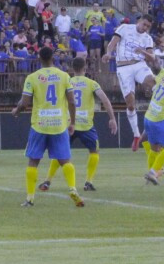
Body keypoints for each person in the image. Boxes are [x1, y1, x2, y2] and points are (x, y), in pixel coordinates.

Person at [11, 45, 83, 208]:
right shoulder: (64, 76)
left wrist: (17, 110)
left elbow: (25, 102)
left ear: (39, 59)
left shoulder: (33, 77)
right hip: (59, 124)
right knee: (65, 160)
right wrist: (72, 122)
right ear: (53, 58)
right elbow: (71, 101)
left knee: (33, 161)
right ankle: (72, 188)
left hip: (40, 125)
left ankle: (30, 198)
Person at [39, 57, 117, 193]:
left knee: (60, 153)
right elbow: (105, 100)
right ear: (85, 68)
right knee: (94, 151)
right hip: (86, 125)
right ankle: (88, 182)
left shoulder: (67, 81)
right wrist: (112, 118)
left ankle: (48, 180)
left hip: (69, 124)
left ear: (72, 69)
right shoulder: (92, 83)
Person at [105, 15, 156, 151]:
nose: (145, 28)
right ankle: (136, 135)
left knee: (154, 83)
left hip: (139, 64)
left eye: (147, 27)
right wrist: (108, 53)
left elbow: (152, 58)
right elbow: (112, 43)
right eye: (144, 24)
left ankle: (159, 110)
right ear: (139, 21)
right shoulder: (125, 28)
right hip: (124, 67)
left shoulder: (147, 38)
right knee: (131, 104)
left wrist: (143, 51)